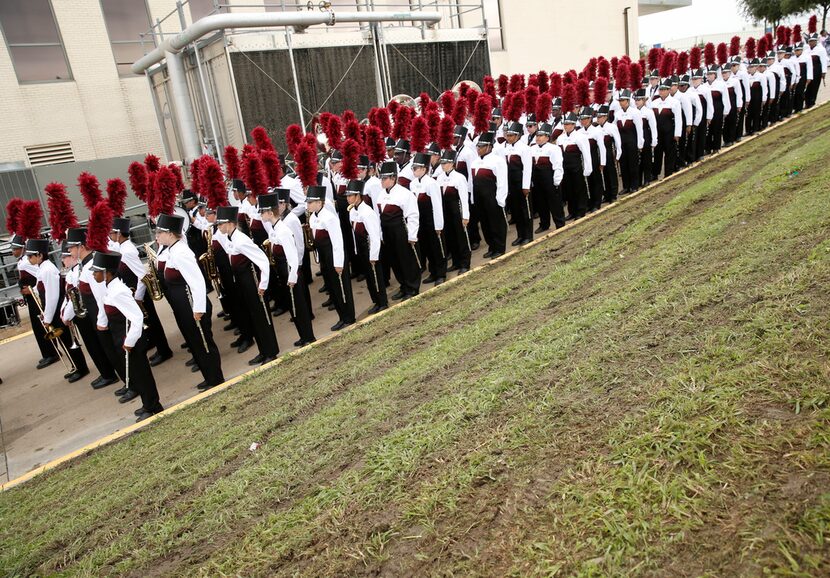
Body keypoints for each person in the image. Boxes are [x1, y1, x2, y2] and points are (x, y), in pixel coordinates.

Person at [92, 251, 163, 422]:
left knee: (142, 373)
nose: (94, 275)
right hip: (121, 339)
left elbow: (137, 317)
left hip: (130, 340)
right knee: (137, 374)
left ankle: (153, 405)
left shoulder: (118, 291)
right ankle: (148, 404)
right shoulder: (110, 288)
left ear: (107, 273)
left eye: (96, 271)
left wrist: (129, 342)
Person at [156, 213, 224, 390]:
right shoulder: (172, 250)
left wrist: (198, 309)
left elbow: (198, 282)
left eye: (159, 232)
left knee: (203, 341)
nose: (156, 236)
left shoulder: (181, 252)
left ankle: (216, 378)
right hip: (183, 306)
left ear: (171, 234)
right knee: (195, 343)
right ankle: (208, 376)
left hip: (192, 305)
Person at [214, 205, 279, 365]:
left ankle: (270, 351)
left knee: (261, 317)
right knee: (253, 318)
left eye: (220, 223)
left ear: (229, 223)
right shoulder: (231, 238)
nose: (218, 227)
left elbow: (263, 260)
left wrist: (263, 284)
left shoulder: (241, 240)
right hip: (243, 284)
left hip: (252, 284)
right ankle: (263, 351)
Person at [109, 217, 172, 367]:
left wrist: (138, 296)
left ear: (119, 234)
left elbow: (142, 275)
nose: (110, 235)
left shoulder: (127, 251)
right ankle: (158, 347)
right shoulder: (122, 248)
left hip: (139, 292)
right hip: (134, 291)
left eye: (112, 233)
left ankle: (164, 350)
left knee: (152, 322)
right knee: (149, 323)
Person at [65, 228, 122, 390]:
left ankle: (130, 384)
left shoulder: (91, 266)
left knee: (114, 352)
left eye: (71, 247)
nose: (69, 250)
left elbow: (101, 297)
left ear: (81, 246)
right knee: (110, 352)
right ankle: (128, 383)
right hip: (96, 316)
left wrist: (102, 321)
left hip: (102, 317)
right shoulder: (86, 265)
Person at [26, 238, 89, 382]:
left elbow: (52, 296)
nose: (29, 258)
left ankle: (81, 367)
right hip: (52, 311)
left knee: (68, 340)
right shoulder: (42, 268)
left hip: (56, 311)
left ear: (40, 255)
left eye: (31, 256)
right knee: (63, 340)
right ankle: (75, 366)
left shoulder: (48, 269)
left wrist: (47, 318)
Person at [259, 190, 318, 342]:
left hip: (290, 272)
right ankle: (303, 335)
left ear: (271, 213)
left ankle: (308, 336)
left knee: (298, 304)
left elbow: (292, 256)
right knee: (293, 307)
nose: (260, 215)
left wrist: (292, 276)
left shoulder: (284, 230)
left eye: (263, 211)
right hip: (283, 272)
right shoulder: (276, 228)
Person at [307, 185, 356, 328]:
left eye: (310, 202)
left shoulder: (329, 218)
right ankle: (342, 316)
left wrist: (339, 263)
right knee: (333, 289)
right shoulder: (313, 218)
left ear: (319, 202)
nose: (308, 205)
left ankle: (349, 317)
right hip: (324, 258)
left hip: (333, 256)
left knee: (341, 288)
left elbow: (337, 242)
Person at [375, 162, 421, 300]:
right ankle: (403, 285)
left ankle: (412, 287)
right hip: (387, 231)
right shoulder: (381, 194)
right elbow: (379, 215)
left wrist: (412, 235)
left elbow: (412, 215)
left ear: (393, 178)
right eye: (381, 178)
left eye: (384, 178)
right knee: (395, 260)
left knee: (406, 259)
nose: (382, 181)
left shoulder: (404, 194)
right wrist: (381, 234)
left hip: (400, 230)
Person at [342, 180, 388, 314]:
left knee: (375, 276)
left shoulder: (367, 212)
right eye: (347, 195)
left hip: (369, 248)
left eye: (350, 195)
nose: (348, 198)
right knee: (369, 278)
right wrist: (357, 249)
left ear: (358, 196)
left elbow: (374, 235)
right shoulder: (352, 211)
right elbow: (353, 233)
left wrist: (373, 255)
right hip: (361, 249)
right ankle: (376, 301)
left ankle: (382, 301)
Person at [10, 235, 56, 369]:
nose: (13, 251)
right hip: (31, 298)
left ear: (23, 249)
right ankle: (47, 353)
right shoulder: (22, 261)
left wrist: (32, 290)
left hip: (35, 297)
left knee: (39, 326)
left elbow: (39, 275)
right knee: (37, 327)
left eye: (16, 249)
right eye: (12, 249)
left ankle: (51, 353)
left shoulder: (25, 262)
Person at [410, 152, 447, 284]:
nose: (413, 170)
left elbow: (437, 206)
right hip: (421, 221)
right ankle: (433, 271)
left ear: (424, 169)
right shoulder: (413, 184)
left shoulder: (431, 183)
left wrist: (438, 225)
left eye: (416, 168)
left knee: (437, 246)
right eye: (413, 168)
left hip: (431, 220)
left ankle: (441, 273)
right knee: (427, 247)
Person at [470, 132, 508, 258]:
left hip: (492, 197)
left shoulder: (497, 161)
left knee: (496, 223)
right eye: (478, 146)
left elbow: (502, 182)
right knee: (485, 224)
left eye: (481, 146)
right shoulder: (474, 162)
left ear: (489, 147)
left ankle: (500, 248)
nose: (478, 149)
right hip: (479, 198)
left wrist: (500, 199)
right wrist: (472, 198)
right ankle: (491, 246)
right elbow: (472, 181)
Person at [434, 149, 472, 273]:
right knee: (451, 238)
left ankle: (465, 263)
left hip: (457, 210)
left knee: (461, 237)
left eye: (445, 163)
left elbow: (464, 198)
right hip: (446, 212)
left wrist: (465, 216)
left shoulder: (459, 178)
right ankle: (456, 262)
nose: (443, 165)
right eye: (442, 163)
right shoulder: (439, 178)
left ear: (452, 163)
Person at [500, 121, 533, 245]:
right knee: (516, 210)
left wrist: (526, 186)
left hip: (521, 182)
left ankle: (528, 235)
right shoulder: (506, 148)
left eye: (511, 135)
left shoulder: (524, 148)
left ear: (518, 135)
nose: (508, 138)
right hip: (511, 183)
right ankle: (520, 235)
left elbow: (527, 168)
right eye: (507, 135)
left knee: (526, 210)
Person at [556, 112, 592, 220]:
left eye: (568, 124)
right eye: (565, 124)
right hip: (565, 168)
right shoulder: (560, 138)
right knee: (568, 190)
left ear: (573, 124)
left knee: (579, 189)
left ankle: (581, 210)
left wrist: (587, 168)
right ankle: (572, 211)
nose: (566, 126)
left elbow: (586, 154)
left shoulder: (580, 137)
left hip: (577, 167)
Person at [530, 122, 565, 229]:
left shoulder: (553, 148)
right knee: (541, 202)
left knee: (555, 202)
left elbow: (558, 165)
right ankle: (544, 224)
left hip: (549, 178)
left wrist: (556, 181)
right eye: (537, 136)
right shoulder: (532, 148)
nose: (538, 138)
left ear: (547, 137)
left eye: (541, 136)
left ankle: (559, 223)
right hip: (537, 179)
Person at [452, 126, 480, 251]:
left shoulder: (468, 152)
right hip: (459, 187)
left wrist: (470, 191)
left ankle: (475, 238)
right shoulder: (456, 151)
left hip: (468, 187)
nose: (453, 139)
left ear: (462, 138)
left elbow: (471, 172)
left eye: (455, 137)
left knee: (471, 215)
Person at [649, 76, 682, 178]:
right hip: (658, 132)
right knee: (657, 153)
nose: (662, 92)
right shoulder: (654, 103)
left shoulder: (674, 102)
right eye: (660, 89)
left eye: (664, 90)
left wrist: (677, 134)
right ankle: (655, 173)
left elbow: (678, 119)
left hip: (669, 132)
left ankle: (668, 172)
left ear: (668, 90)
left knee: (669, 152)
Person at [614, 90, 644, 195]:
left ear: (628, 100)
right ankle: (626, 186)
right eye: (620, 100)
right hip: (622, 143)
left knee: (633, 164)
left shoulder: (635, 112)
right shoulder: (617, 114)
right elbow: (615, 129)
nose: (621, 102)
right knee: (624, 165)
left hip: (632, 141)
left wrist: (640, 144)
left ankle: (634, 185)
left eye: (623, 100)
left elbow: (640, 130)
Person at [577, 107, 606, 211]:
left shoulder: (596, 131)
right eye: (581, 119)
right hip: (583, 159)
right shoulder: (579, 132)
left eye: (585, 119)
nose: (583, 121)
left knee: (596, 180)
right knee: (587, 182)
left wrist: (602, 162)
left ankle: (597, 203)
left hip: (594, 158)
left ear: (590, 119)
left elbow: (602, 148)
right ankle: (589, 203)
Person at [596, 104, 622, 203]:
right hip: (600, 154)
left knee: (611, 174)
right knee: (604, 175)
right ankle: (606, 194)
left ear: (605, 117)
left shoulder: (611, 127)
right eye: (597, 117)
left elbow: (617, 142)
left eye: (600, 117)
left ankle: (613, 194)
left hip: (609, 153)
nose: (598, 119)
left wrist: (618, 154)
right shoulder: (597, 129)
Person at [806, 33, 828, 108]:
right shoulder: (807, 50)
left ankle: (812, 102)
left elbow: (824, 61)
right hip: (808, 71)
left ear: (816, 41)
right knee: (807, 88)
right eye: (810, 41)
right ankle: (807, 102)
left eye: (813, 41)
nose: (811, 43)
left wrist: (823, 72)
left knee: (814, 87)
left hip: (817, 71)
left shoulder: (821, 49)